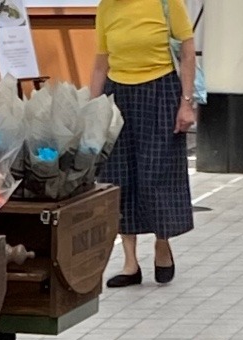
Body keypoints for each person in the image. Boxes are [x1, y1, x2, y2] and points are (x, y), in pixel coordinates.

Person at [91, 0, 196, 288]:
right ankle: (130, 262)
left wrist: (186, 104)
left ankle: (162, 244)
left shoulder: (166, 2)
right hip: (118, 95)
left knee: (156, 174)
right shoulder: (106, 7)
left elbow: (187, 54)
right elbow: (101, 63)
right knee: (117, 177)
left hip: (160, 91)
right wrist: (93, 109)